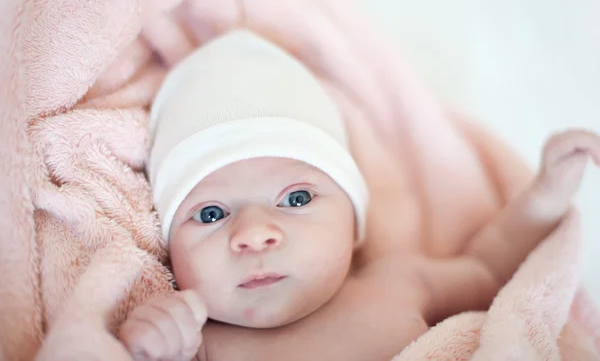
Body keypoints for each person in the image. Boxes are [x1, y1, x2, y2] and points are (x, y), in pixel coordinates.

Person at [119, 30, 600, 360]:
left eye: (297, 199)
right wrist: (148, 343)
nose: (255, 234)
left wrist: (545, 196)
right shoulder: (197, 343)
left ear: (353, 222)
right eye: (209, 213)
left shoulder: (399, 284)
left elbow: (492, 268)